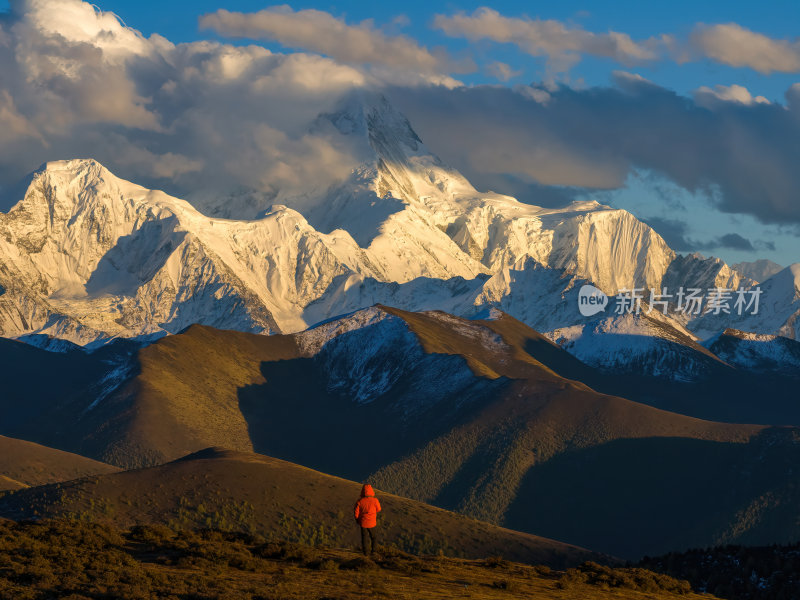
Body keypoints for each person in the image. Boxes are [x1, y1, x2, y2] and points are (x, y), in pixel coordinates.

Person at [354, 483, 381, 556]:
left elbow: (356, 513)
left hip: (363, 523)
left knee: (364, 538)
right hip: (372, 523)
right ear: (371, 491)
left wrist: (357, 520)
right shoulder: (375, 500)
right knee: (374, 537)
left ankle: (366, 553)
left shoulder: (360, 501)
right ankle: (374, 551)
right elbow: (379, 509)